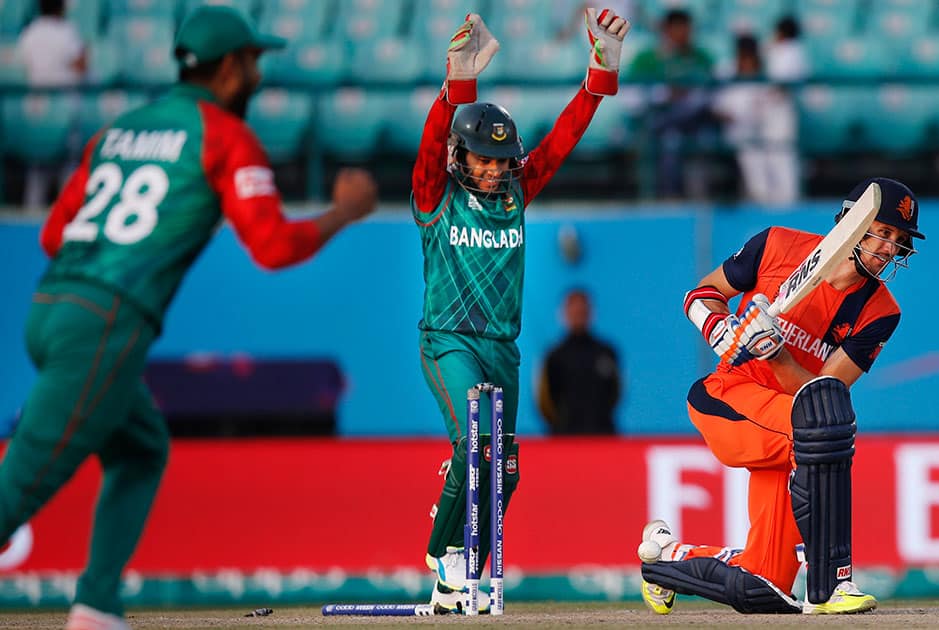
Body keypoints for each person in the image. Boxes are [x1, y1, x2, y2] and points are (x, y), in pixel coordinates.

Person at [0, 6, 377, 630]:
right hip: (105, 327)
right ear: (229, 68)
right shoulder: (224, 136)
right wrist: (345, 212)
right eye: (254, 61)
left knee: (142, 449)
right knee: (18, 488)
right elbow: (274, 247)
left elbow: (51, 235)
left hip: (50, 311)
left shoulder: (118, 131)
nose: (258, 74)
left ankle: (96, 608)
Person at [412, 9, 630, 613]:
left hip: (501, 348)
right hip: (448, 340)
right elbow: (431, 146)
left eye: (499, 160)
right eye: (480, 157)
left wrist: (599, 74)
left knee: (504, 474)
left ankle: (460, 578)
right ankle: (442, 554)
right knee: (472, 449)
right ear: (462, 156)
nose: (491, 168)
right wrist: (457, 85)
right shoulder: (435, 197)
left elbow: (561, 139)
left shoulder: (515, 193)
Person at [638, 177, 924, 615]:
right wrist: (723, 331)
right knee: (821, 427)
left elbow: (822, 392)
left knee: (761, 587)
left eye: (898, 240)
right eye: (882, 232)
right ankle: (831, 582)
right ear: (852, 223)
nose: (888, 248)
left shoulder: (881, 312)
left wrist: (777, 355)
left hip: (792, 432)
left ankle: (663, 560)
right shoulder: (775, 244)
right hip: (726, 396)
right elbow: (700, 295)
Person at [626, 8, 715, 198]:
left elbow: (712, 92)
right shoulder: (647, 58)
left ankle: (700, 198)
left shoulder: (700, 57)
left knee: (703, 139)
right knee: (670, 142)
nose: (683, 34)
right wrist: (665, 94)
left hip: (695, 122)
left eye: (686, 28)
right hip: (659, 120)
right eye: (678, 28)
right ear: (666, 30)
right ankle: (669, 197)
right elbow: (632, 98)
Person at [15, 0, 88, 209]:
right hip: (62, 107)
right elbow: (82, 66)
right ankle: (69, 212)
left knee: (37, 166)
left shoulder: (30, 32)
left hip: (35, 107)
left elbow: (23, 65)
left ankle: (31, 208)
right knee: (68, 163)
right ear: (61, 7)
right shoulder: (66, 30)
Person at [713, 34, 800, 205]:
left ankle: (789, 211)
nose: (746, 60)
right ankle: (762, 208)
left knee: (782, 168)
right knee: (757, 182)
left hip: (771, 132)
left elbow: (782, 95)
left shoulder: (771, 70)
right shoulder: (725, 72)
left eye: (750, 55)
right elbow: (717, 107)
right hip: (743, 133)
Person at [537, 288, 621, 435]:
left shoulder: (606, 353)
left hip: (603, 436)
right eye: (574, 309)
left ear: (590, 312)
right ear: (565, 313)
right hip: (564, 438)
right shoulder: (554, 357)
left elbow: (615, 393)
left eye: (582, 309)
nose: (578, 313)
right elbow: (545, 402)